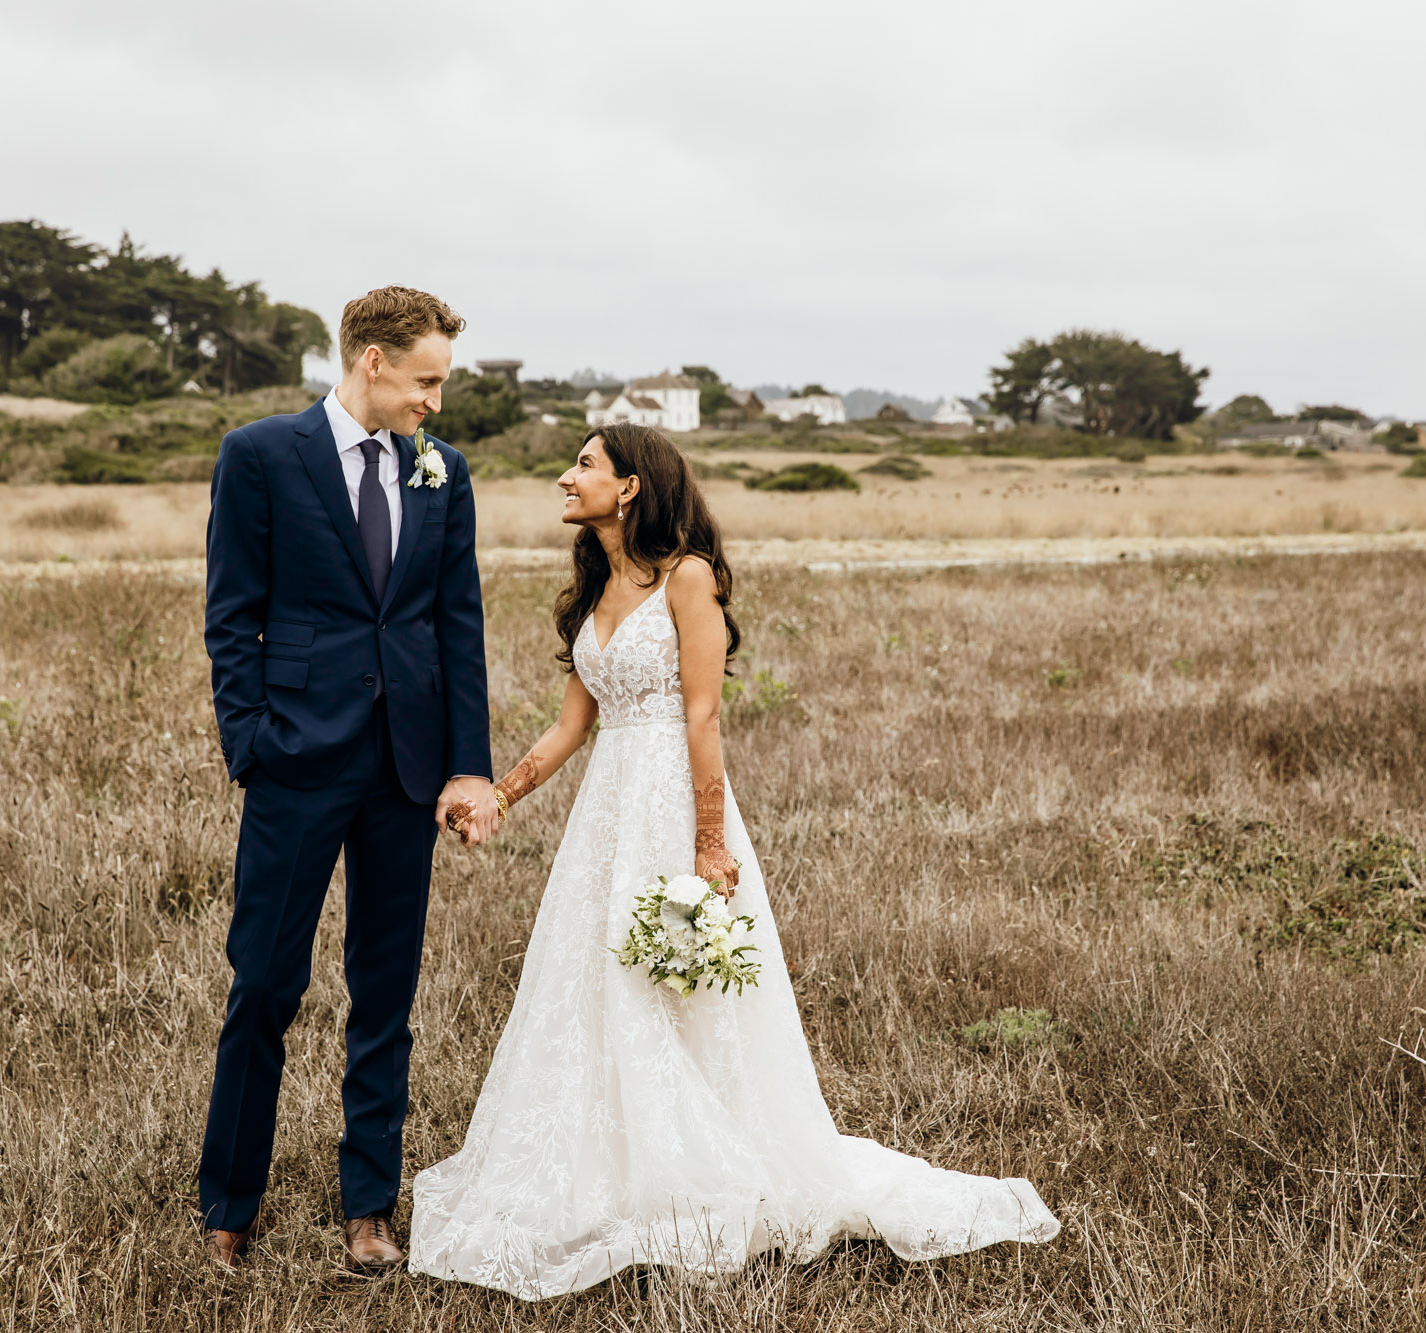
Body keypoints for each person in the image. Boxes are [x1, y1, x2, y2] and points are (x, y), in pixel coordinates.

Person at [412, 423, 1060, 1299]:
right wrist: (501, 794)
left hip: (675, 804)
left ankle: (707, 1171)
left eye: (585, 465)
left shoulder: (687, 577)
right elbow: (573, 725)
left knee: (682, 982)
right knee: (596, 979)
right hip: (606, 814)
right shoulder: (596, 586)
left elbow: (702, 719)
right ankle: (614, 1164)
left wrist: (708, 842)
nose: (567, 477)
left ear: (632, 486)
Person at [197, 286, 500, 1272]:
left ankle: (368, 1205)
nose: (435, 405)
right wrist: (250, 740)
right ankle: (228, 1207)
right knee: (265, 987)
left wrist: (466, 764)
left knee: (386, 991)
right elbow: (230, 613)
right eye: (426, 381)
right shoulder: (260, 456)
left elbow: (456, 625)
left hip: (406, 771)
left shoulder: (440, 473)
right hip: (294, 763)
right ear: (371, 360)